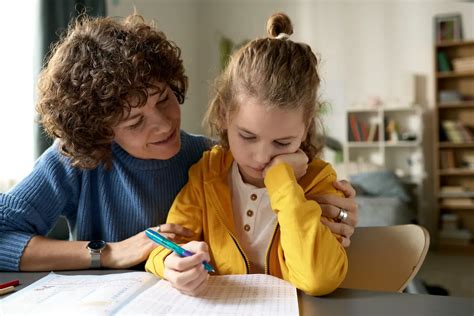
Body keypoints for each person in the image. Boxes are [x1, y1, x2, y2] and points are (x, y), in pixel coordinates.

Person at [0, 13, 357, 272]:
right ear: (100, 131)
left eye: (164, 99)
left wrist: (339, 214)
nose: (163, 125)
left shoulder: (211, 161)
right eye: (135, 121)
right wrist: (107, 253)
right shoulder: (75, 159)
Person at [146, 12, 348, 296]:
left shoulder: (318, 181)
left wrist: (282, 180)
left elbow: (319, 278)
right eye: (248, 136)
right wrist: (170, 264)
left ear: (305, 129)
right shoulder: (207, 172)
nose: (261, 156)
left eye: (282, 143)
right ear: (224, 115)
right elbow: (166, 243)